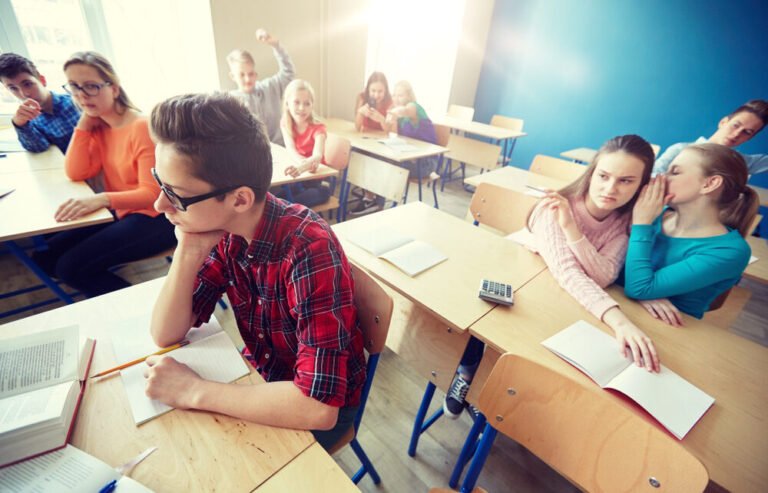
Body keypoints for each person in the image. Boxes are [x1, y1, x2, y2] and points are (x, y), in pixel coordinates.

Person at [145, 92, 366, 451]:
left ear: (239, 199)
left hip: (314, 404)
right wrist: (188, 249)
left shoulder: (308, 248)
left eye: (176, 194)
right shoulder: (227, 232)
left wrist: (194, 390)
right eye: (161, 183)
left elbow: (320, 408)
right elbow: (165, 332)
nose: (159, 204)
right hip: (263, 378)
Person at [444, 135, 659, 419]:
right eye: (604, 176)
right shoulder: (554, 206)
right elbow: (569, 271)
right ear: (591, 172)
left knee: (538, 336)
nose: (610, 188)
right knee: (493, 318)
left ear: (642, 186)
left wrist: (571, 229)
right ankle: (467, 371)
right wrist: (618, 321)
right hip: (514, 273)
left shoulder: (622, 222)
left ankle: (501, 388)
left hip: (556, 290)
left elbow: (605, 275)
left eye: (626, 181)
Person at [31, 51, 175, 297]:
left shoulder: (140, 126)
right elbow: (75, 171)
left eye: (91, 87)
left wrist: (102, 198)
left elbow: (153, 194)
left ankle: (141, 311)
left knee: (70, 269)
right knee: (44, 257)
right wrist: (84, 124)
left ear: (114, 89)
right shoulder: (99, 126)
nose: (81, 95)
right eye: (74, 87)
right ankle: (116, 297)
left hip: (156, 218)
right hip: (122, 212)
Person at [625, 143, 758, 323]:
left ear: (710, 184)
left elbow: (638, 288)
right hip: (619, 313)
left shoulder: (730, 251)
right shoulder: (655, 215)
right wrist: (645, 293)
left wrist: (641, 224)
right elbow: (616, 272)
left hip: (665, 332)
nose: (662, 178)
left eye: (675, 172)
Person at [653, 100, 768, 176]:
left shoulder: (739, 162)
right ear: (723, 122)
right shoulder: (679, 149)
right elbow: (652, 179)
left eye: (747, 132)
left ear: (750, 138)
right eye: (736, 125)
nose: (737, 134)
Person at [0, 53, 80, 153]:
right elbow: (39, 148)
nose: (24, 94)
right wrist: (19, 124)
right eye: (13, 88)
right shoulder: (29, 121)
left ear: (42, 80)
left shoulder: (76, 103)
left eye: (27, 84)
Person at [227, 28, 295, 146]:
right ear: (232, 76)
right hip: (254, 155)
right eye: (242, 75)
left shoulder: (269, 87)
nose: (247, 79)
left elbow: (289, 73)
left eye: (251, 73)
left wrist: (276, 46)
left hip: (282, 147)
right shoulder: (231, 101)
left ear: (256, 74)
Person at [277, 79, 331, 207]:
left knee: (288, 207)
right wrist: (301, 167)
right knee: (273, 201)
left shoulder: (319, 128)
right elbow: (291, 150)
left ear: (312, 105)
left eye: (307, 103)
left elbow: (317, 156)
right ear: (287, 103)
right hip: (299, 180)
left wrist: (301, 168)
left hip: (319, 183)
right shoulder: (286, 123)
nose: (302, 108)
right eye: (296, 102)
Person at [350, 72, 393, 215]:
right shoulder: (362, 97)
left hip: (383, 142)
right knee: (356, 154)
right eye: (373, 91)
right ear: (368, 90)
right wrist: (360, 113)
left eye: (380, 91)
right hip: (367, 140)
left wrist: (381, 119)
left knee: (377, 159)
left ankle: (372, 199)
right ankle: (369, 196)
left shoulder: (390, 102)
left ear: (386, 90)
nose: (376, 95)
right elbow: (357, 127)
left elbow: (391, 131)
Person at [385, 80, 438, 178]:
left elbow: (405, 110)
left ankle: (386, 192)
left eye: (400, 96)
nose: (396, 99)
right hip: (410, 157)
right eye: (394, 95)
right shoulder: (398, 113)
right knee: (381, 160)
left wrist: (394, 112)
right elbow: (394, 137)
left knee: (386, 166)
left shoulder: (414, 107)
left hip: (426, 161)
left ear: (409, 96)